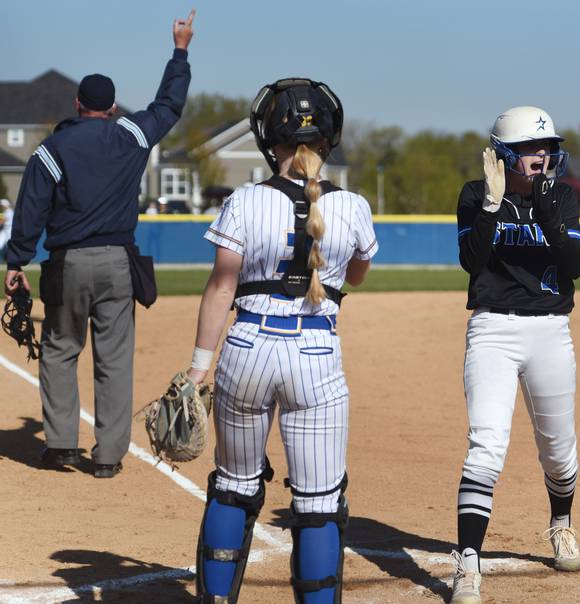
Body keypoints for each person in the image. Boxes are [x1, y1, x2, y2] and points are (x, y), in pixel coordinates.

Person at [185, 78, 377, 603]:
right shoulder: (353, 205)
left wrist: (198, 369)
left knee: (234, 485)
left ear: (270, 137)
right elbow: (355, 277)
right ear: (328, 138)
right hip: (315, 351)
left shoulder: (244, 201)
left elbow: (222, 285)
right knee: (318, 504)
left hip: (246, 346)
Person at [2, 11, 194, 478]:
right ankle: (108, 456)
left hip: (67, 262)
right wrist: (180, 51)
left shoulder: (51, 150)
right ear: (110, 107)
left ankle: (62, 444)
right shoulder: (130, 134)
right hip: (117, 263)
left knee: (60, 348)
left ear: (77, 103)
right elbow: (168, 106)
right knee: (113, 358)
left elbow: (29, 209)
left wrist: (16, 261)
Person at [450, 106, 580, 603]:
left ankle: (561, 521)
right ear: (505, 154)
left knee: (558, 449)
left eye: (547, 147)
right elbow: (472, 260)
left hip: (551, 330)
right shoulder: (475, 195)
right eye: (532, 148)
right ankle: (468, 565)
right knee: (486, 443)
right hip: (493, 329)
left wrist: (547, 207)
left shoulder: (563, 198)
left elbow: (574, 265)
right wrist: (490, 205)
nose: (543, 155)